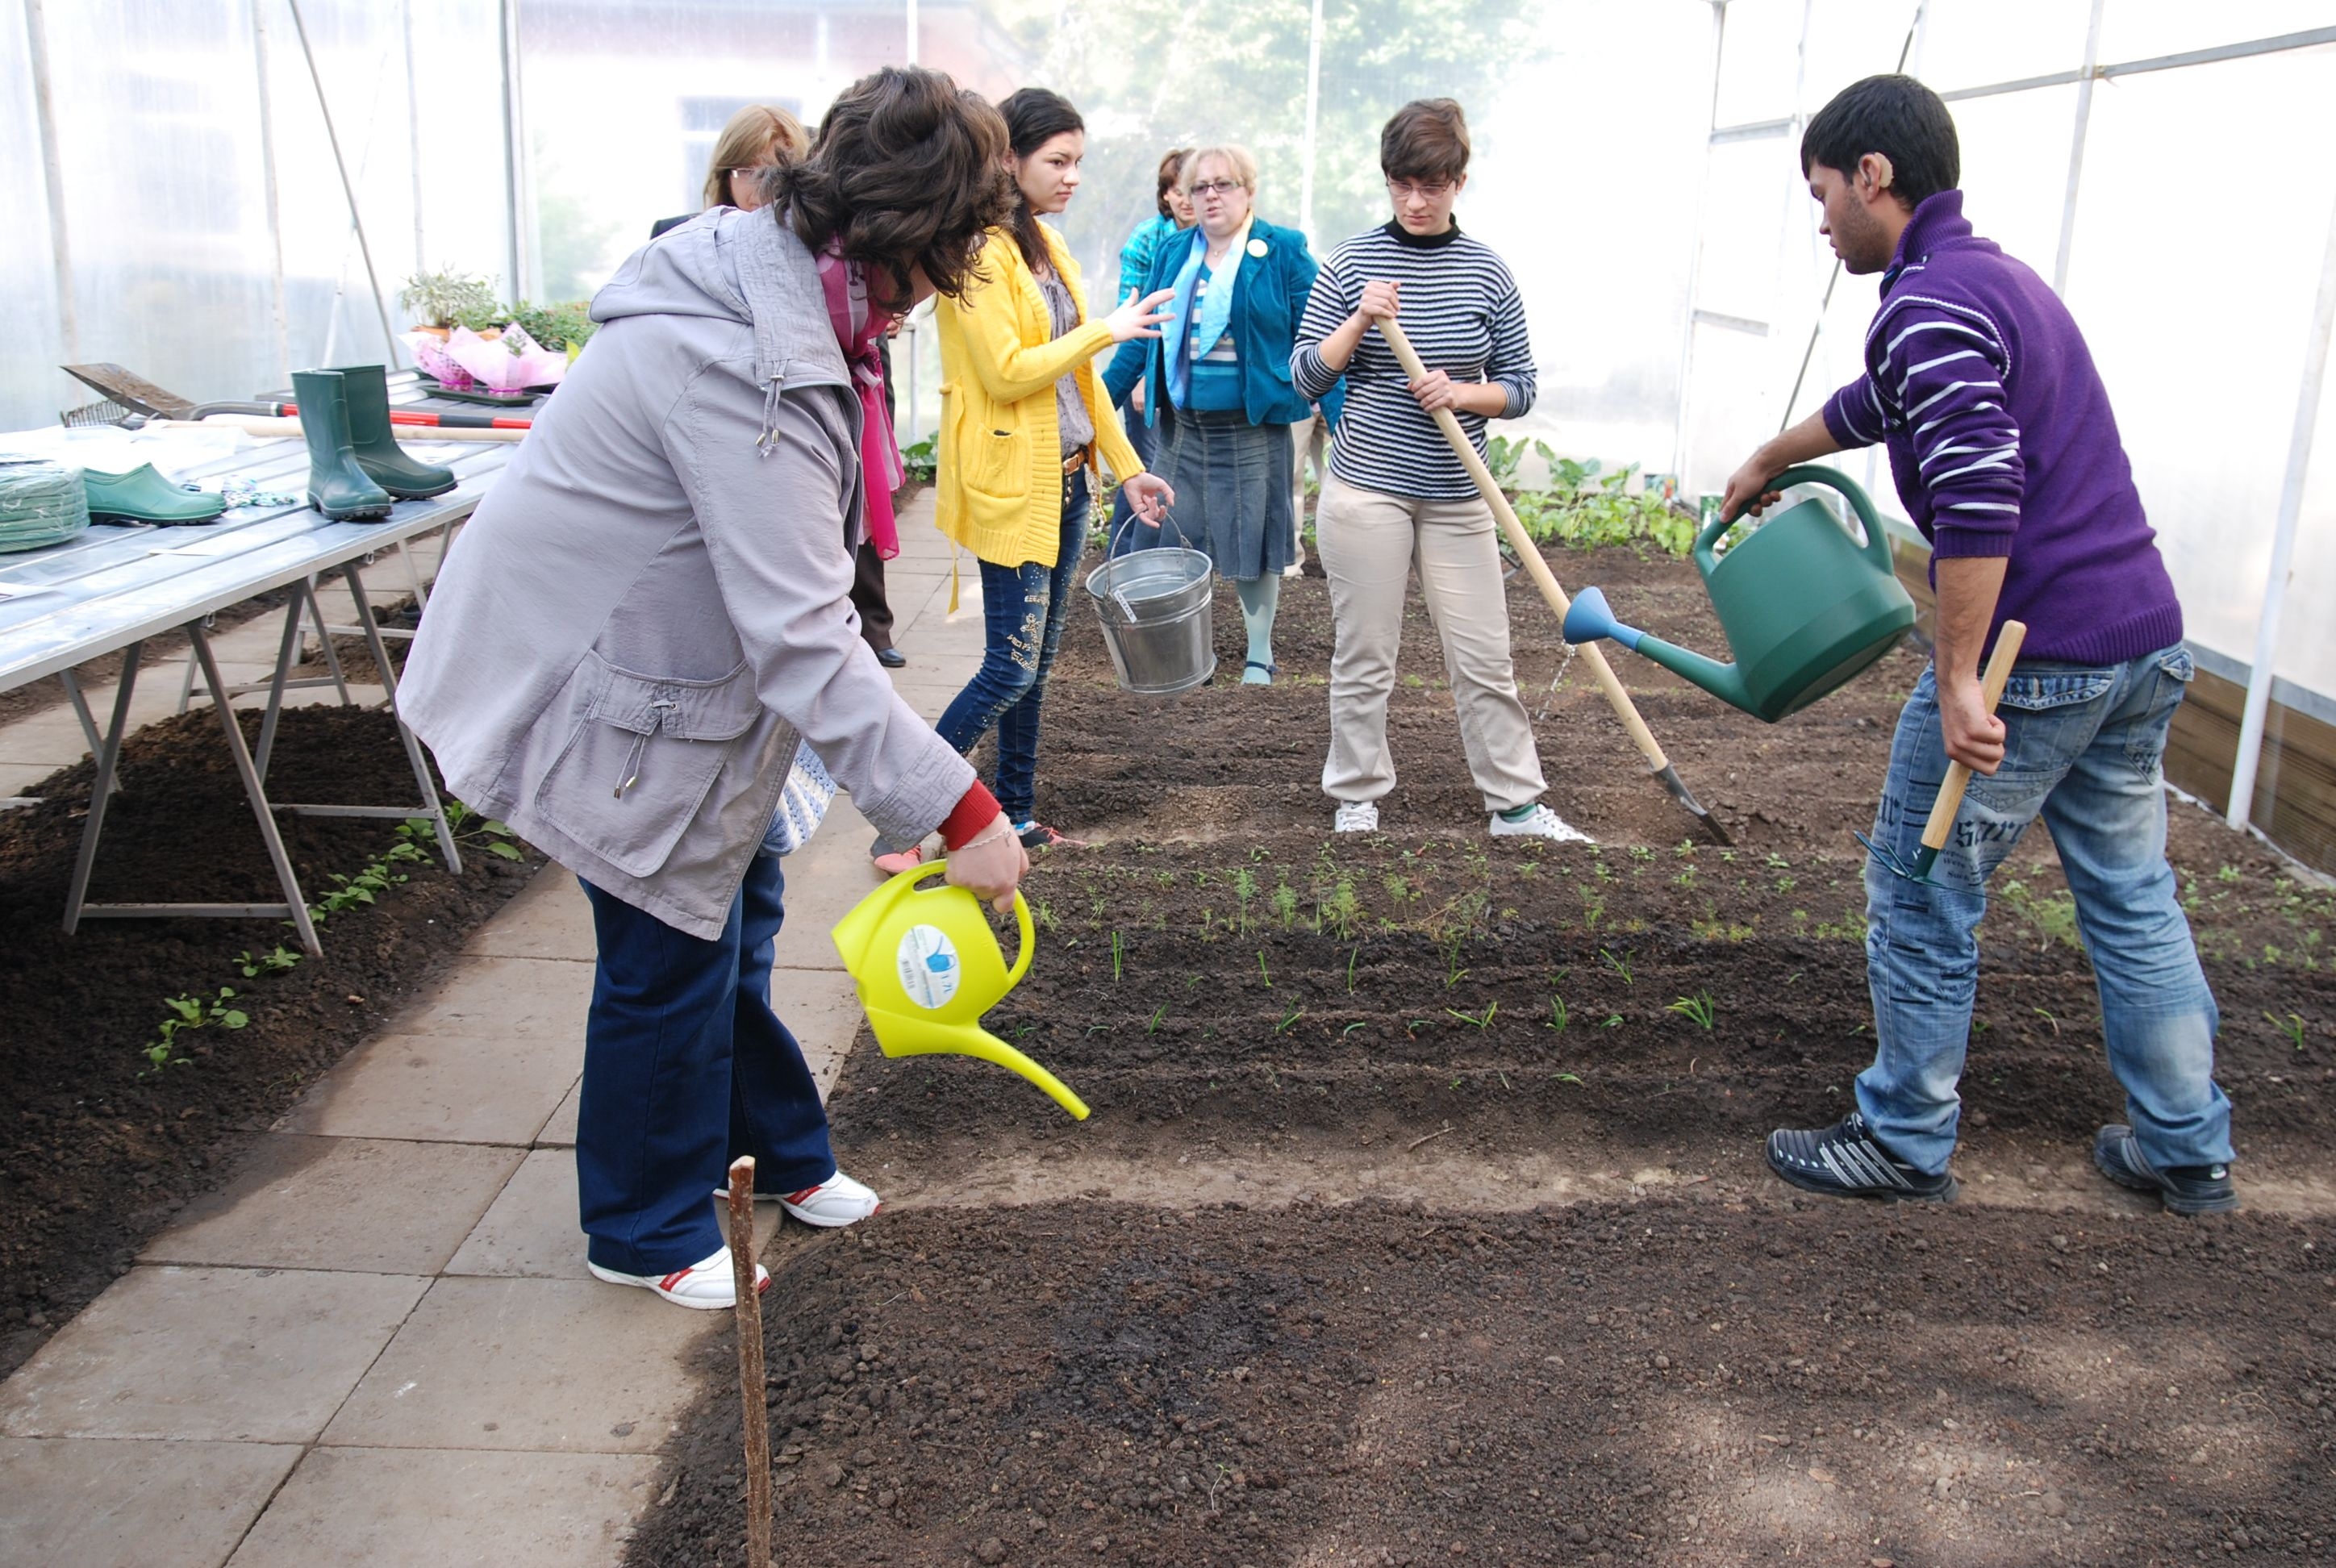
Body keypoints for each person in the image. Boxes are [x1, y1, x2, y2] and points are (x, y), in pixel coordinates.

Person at [399, 67, 1032, 1312]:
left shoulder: (782, 288)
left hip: (674, 686)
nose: (916, 309)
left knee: (729, 925)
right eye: (927, 271)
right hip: (587, 685)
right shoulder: (742, 361)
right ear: (882, 235)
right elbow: (803, 633)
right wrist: (963, 814)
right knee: (663, 957)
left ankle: (781, 1157)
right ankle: (637, 1228)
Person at [1725, 76, 2233, 1215]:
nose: (1819, 222)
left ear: (1873, 177)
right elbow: (1885, 400)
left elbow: (1979, 496)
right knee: (2132, 891)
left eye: (1821, 194)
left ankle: (1903, 1135)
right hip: (2140, 641)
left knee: (1917, 879)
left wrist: (1958, 680)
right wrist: (1775, 450)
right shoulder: (1988, 281)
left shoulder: (1929, 304)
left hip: (2034, 657)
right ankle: (2187, 1145)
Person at [872, 86, 1174, 871]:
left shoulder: (1043, 244)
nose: (1073, 177)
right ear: (1007, 159)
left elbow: (1079, 382)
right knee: (1007, 665)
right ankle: (904, 824)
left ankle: (1015, 811)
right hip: (1015, 486)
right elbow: (1007, 374)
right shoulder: (974, 254)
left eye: (1079, 162)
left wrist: (1129, 467)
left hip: (1069, 482)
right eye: (1058, 161)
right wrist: (1109, 329)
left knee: (1034, 667)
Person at [1290, 98, 1587, 844]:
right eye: (1402, 184)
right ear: (1388, 180)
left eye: (1434, 184)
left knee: (1486, 657)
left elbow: (1519, 386)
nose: (1417, 201)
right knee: (1365, 656)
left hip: (1459, 495)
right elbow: (1303, 377)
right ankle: (1356, 796)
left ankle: (1515, 805)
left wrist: (1462, 392)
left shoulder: (1488, 271)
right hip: (1367, 492)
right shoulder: (1354, 263)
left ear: (1459, 181)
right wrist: (1359, 319)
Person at [652, 106, 910, 668]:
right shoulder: (676, 241)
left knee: (826, 540)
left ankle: (858, 636)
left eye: (777, 174)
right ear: (723, 175)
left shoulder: (823, 257)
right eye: (748, 173)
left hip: (800, 421)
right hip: (719, 422)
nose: (761, 190)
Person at [1105, 144, 1340, 685]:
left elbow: (1320, 338)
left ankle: (1259, 654)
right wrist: (1093, 408)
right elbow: (1140, 344)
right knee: (1171, 539)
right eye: (1200, 187)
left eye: (1224, 184)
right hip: (1181, 429)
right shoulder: (1172, 252)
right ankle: (1184, 654)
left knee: (1256, 543)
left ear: (1248, 191)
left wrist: (1341, 415)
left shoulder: (1281, 250)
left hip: (1252, 427)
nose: (1211, 195)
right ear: (1185, 198)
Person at [1105, 147, 1191, 550]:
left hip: (1184, 381)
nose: (1189, 199)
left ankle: (1160, 560)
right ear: (1167, 196)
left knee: (1168, 474)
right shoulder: (1151, 238)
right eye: (1179, 191)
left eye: (1197, 188)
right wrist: (1141, 378)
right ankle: (1123, 559)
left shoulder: (1213, 243)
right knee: (1139, 467)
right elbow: (1134, 309)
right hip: (1146, 368)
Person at [649, 103, 807, 239]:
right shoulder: (673, 237)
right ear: (726, 178)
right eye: (748, 172)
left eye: (774, 173)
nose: (761, 188)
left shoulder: (818, 249)